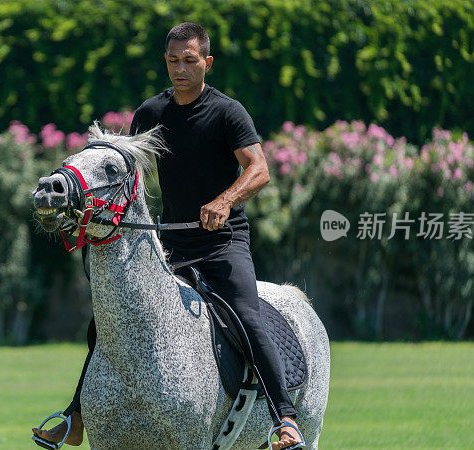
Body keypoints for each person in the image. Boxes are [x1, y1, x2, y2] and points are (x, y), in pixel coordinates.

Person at [33, 22, 304, 450]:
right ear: (166, 61)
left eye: (190, 61)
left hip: (222, 243)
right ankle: (76, 417)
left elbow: (259, 169)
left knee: (248, 316)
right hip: (169, 244)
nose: (181, 69)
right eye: (173, 61)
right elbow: (128, 181)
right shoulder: (150, 114)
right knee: (108, 320)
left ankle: (285, 419)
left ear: (207, 63)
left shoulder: (227, 112)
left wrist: (225, 200)